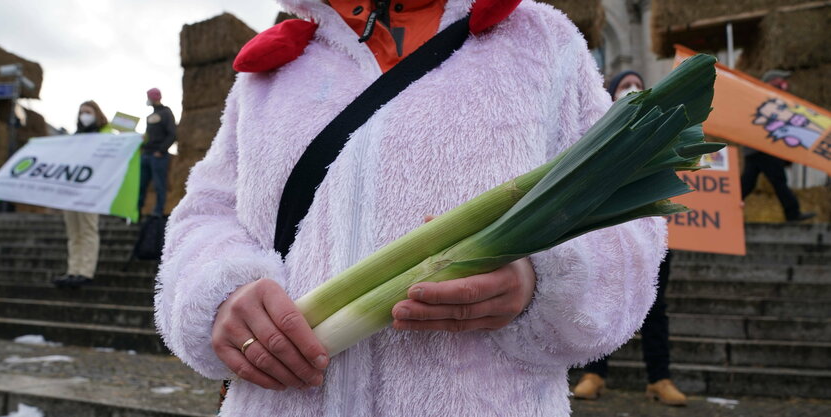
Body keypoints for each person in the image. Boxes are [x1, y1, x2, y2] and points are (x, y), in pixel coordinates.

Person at [155, 1, 668, 415]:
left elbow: (629, 219)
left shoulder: (541, 44)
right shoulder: (272, 72)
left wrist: (543, 278)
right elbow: (207, 211)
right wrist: (221, 289)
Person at [571, 70, 687, 406]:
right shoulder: (598, 136)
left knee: (655, 308)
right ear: (610, 93)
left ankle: (660, 378)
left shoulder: (661, 135)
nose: (633, 90)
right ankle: (594, 373)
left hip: (653, 239)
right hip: (608, 238)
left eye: (638, 85)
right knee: (602, 302)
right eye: (625, 85)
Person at [740, 69, 815, 222]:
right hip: (761, 148)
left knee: (747, 183)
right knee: (778, 179)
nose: (783, 84)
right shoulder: (763, 98)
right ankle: (793, 213)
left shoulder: (771, 99)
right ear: (772, 82)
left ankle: (724, 207)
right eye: (780, 81)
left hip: (756, 148)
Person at [52, 101, 111, 288]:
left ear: (96, 113)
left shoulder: (105, 134)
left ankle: (85, 271)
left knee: (87, 230)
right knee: (74, 233)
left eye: (87, 112)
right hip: (72, 191)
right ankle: (73, 270)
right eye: (81, 112)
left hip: (90, 191)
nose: (84, 115)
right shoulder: (76, 137)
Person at [138, 87, 175, 217]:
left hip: (158, 155)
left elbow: (172, 134)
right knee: (141, 184)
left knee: (159, 184)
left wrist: (161, 150)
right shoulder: (149, 116)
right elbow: (149, 135)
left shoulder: (166, 113)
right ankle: (137, 211)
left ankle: (158, 211)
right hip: (146, 154)